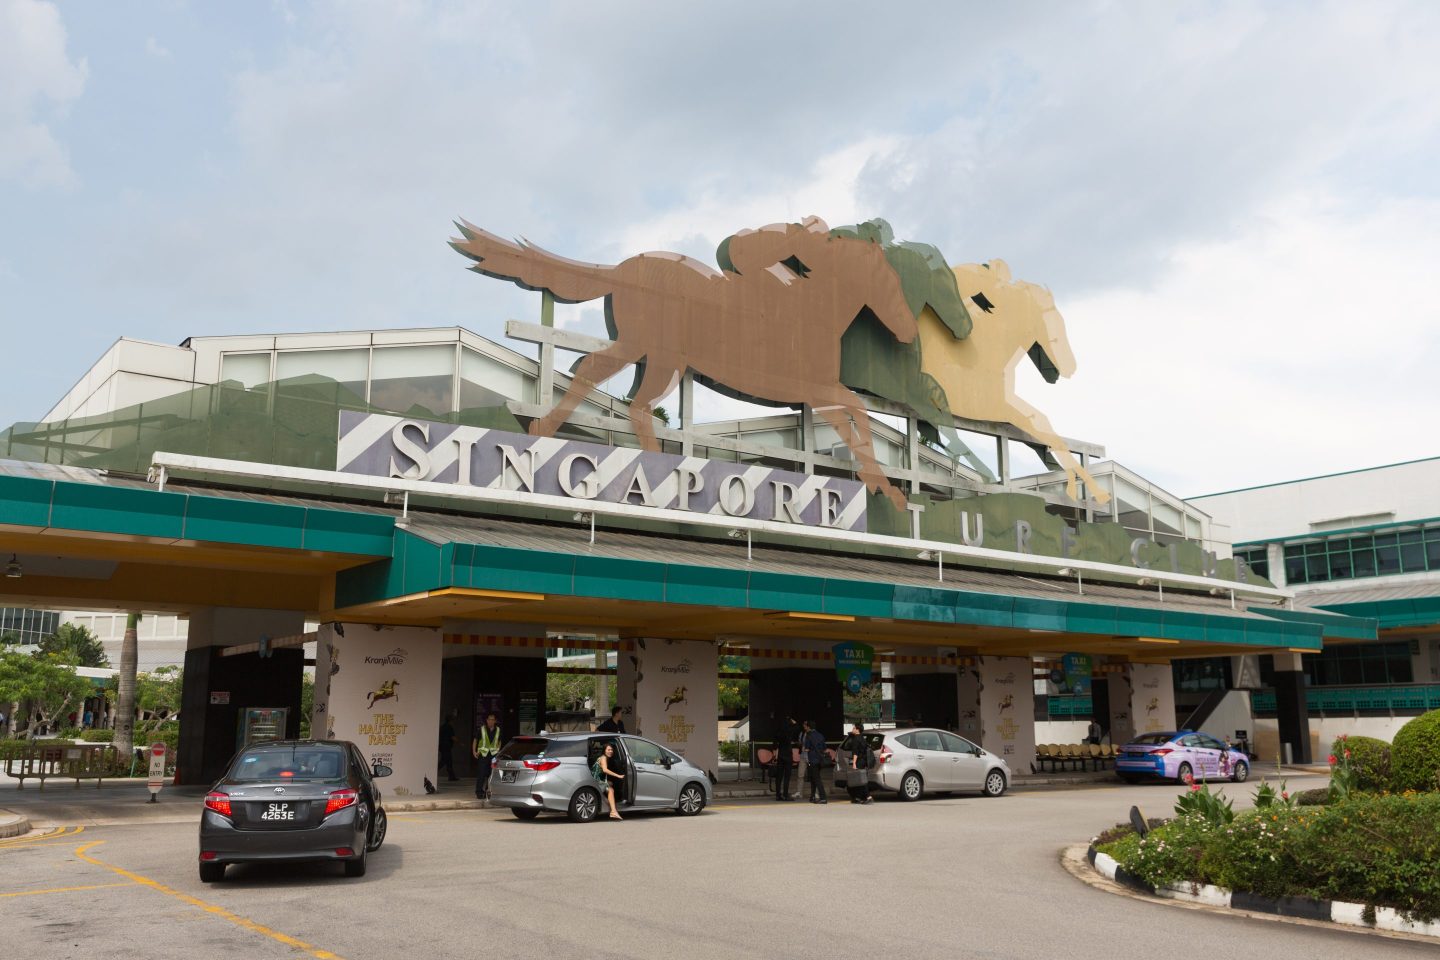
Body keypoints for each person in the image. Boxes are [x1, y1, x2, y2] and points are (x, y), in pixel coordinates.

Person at [841, 723, 874, 804]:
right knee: (861, 779)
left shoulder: (855, 739)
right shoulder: (862, 738)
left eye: (853, 728)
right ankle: (858, 797)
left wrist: (854, 763)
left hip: (859, 761)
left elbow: (855, 753)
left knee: (861, 779)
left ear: (857, 729)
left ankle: (868, 797)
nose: (852, 729)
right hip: (864, 761)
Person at [473, 712, 501, 801]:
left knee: (491, 774)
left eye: (492, 720)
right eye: (489, 719)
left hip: (493, 755)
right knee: (481, 773)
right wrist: (474, 751)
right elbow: (475, 740)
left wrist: (498, 750)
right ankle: (479, 792)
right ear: (486, 720)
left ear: (495, 721)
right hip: (483, 754)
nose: (490, 721)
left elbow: (499, 741)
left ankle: (487, 790)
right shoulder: (482, 729)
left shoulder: (498, 730)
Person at [596, 741, 625, 820]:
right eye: (608, 750)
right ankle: (613, 811)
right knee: (611, 790)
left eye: (611, 750)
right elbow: (605, 770)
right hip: (596, 780)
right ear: (604, 750)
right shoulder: (603, 758)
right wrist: (618, 775)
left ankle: (612, 809)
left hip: (599, 779)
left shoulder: (605, 758)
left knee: (610, 784)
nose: (611, 751)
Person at [801, 720, 828, 804]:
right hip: (820, 760)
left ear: (808, 727)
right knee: (813, 778)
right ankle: (812, 796)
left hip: (812, 760)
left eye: (806, 727)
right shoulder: (820, 735)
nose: (805, 728)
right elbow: (824, 748)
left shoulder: (809, 736)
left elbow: (807, 748)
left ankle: (823, 797)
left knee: (816, 779)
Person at [772, 716, 796, 801]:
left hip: (780, 755)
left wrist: (774, 757)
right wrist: (791, 721)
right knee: (787, 776)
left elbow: (774, 745)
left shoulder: (778, 732)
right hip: (788, 755)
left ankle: (778, 795)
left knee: (779, 776)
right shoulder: (790, 731)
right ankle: (785, 794)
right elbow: (795, 725)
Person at [437, 711, 458, 782]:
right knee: (444, 761)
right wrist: (460, 742)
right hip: (446, 746)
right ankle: (434, 771)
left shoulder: (442, 726)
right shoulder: (449, 727)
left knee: (448, 761)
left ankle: (451, 776)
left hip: (442, 746)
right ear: (451, 720)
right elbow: (452, 737)